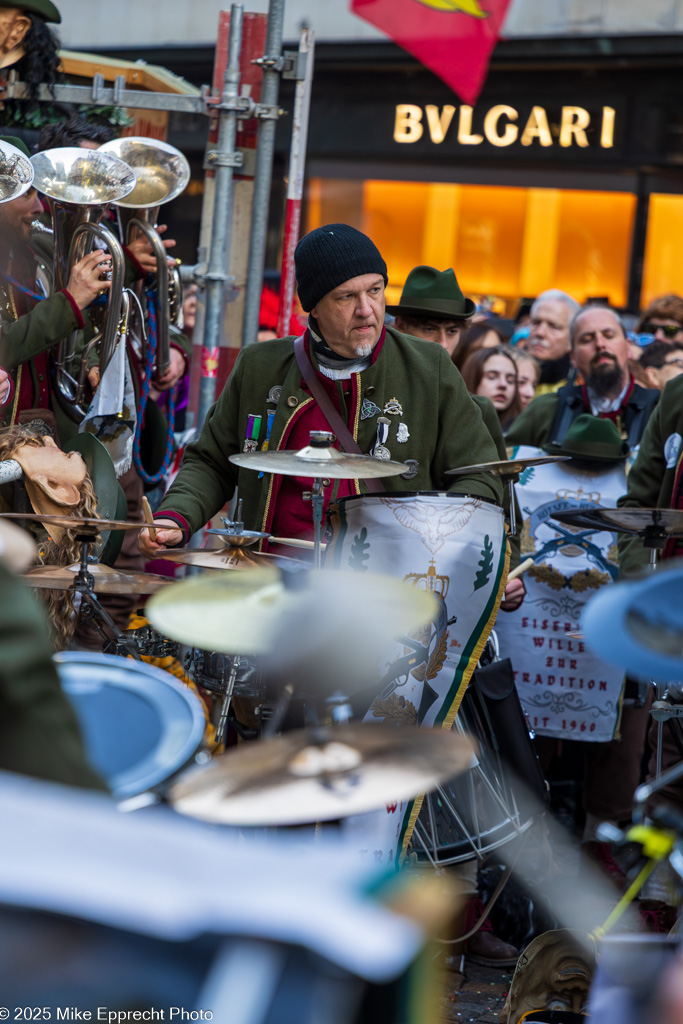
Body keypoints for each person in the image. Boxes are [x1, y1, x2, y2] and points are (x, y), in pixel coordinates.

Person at [140, 223, 503, 554]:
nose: (367, 310)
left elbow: (478, 474)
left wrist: (439, 538)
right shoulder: (260, 366)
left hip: (386, 586)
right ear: (313, 307)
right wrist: (176, 517)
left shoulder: (430, 366)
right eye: (346, 297)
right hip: (270, 577)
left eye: (375, 291)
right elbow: (212, 460)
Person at [506, 305, 659, 453]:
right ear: (572, 357)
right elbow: (505, 465)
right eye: (587, 339)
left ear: (628, 346)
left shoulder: (659, 410)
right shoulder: (545, 410)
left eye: (609, 335)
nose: (600, 344)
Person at [388, 264, 475, 359]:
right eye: (429, 329)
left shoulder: (458, 373)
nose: (443, 344)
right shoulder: (380, 370)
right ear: (401, 325)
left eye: (452, 331)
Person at [525, 289, 581, 396]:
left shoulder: (583, 387)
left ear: (572, 339)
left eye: (554, 326)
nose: (540, 333)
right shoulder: (506, 376)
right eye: (536, 323)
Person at [460, 346, 522, 433]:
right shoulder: (456, 428)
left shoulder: (525, 430)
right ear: (472, 378)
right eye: (491, 377)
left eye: (510, 380)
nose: (503, 384)